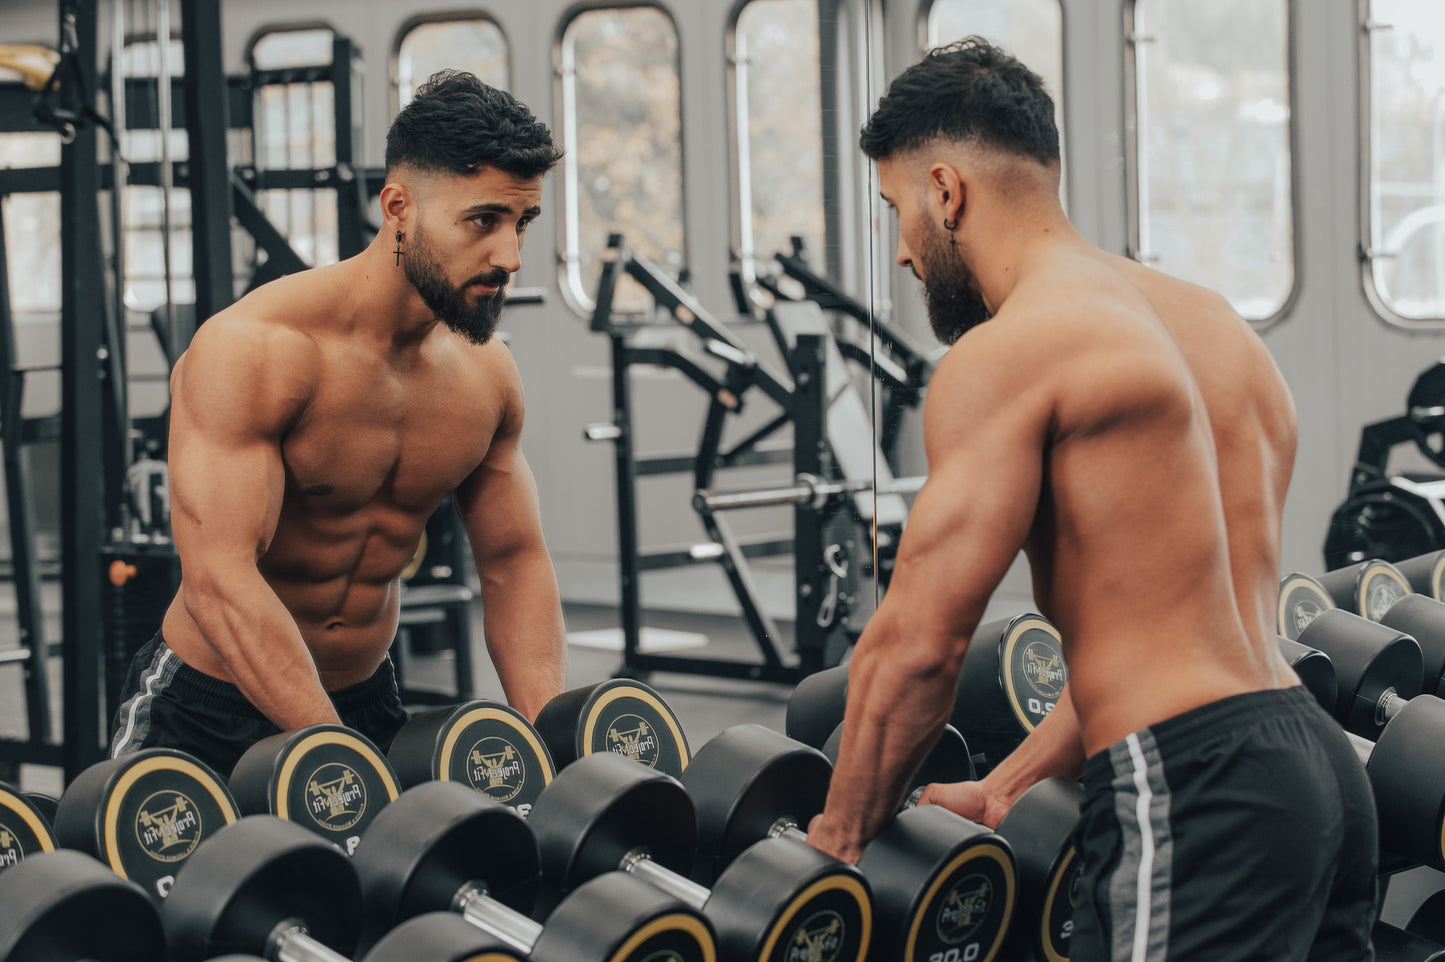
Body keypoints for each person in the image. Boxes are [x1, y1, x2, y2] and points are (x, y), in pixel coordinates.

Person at [805, 38, 1377, 960]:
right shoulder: (1216, 331)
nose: (904, 253)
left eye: (897, 211)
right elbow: (1166, 632)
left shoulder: (1011, 353)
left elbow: (919, 647)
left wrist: (832, 843)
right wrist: (1003, 790)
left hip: (1196, 789)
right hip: (1313, 762)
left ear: (945, 191)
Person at [108, 71, 569, 777]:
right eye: (482, 221)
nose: (508, 257)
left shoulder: (485, 377)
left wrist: (555, 749)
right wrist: (337, 760)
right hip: (206, 711)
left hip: (361, 698)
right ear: (398, 208)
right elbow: (219, 577)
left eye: (521, 223)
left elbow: (513, 563)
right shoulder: (255, 351)